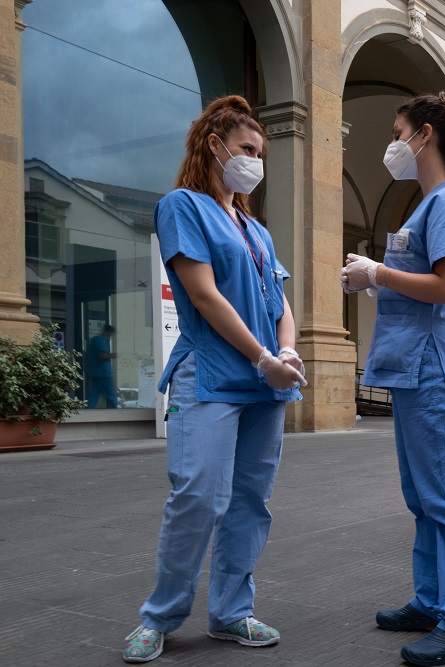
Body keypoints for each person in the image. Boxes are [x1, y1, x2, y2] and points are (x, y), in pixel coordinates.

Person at [123, 96, 306, 663]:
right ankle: (159, 617)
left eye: (260, 153)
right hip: (212, 375)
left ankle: (231, 613)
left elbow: (280, 303)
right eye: (247, 149)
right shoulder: (182, 207)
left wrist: (289, 350)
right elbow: (202, 294)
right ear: (214, 145)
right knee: (199, 495)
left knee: (251, 500)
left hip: (264, 380)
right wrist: (261, 358)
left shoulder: (257, 230)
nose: (254, 161)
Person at [340, 91, 445, 666]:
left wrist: (378, 272)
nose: (393, 143)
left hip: (432, 371)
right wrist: (376, 281)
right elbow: (429, 281)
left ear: (425, 135)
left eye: (398, 132)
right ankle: (433, 602)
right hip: (416, 370)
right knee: (426, 499)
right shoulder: (432, 205)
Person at [87, 324, 119, 408]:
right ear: (108, 332)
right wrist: (114, 355)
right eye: (111, 334)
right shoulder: (100, 340)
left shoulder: (94, 340)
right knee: (111, 396)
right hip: (104, 374)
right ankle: (118, 414)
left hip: (96, 374)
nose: (110, 336)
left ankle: (87, 413)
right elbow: (102, 355)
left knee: (93, 395)